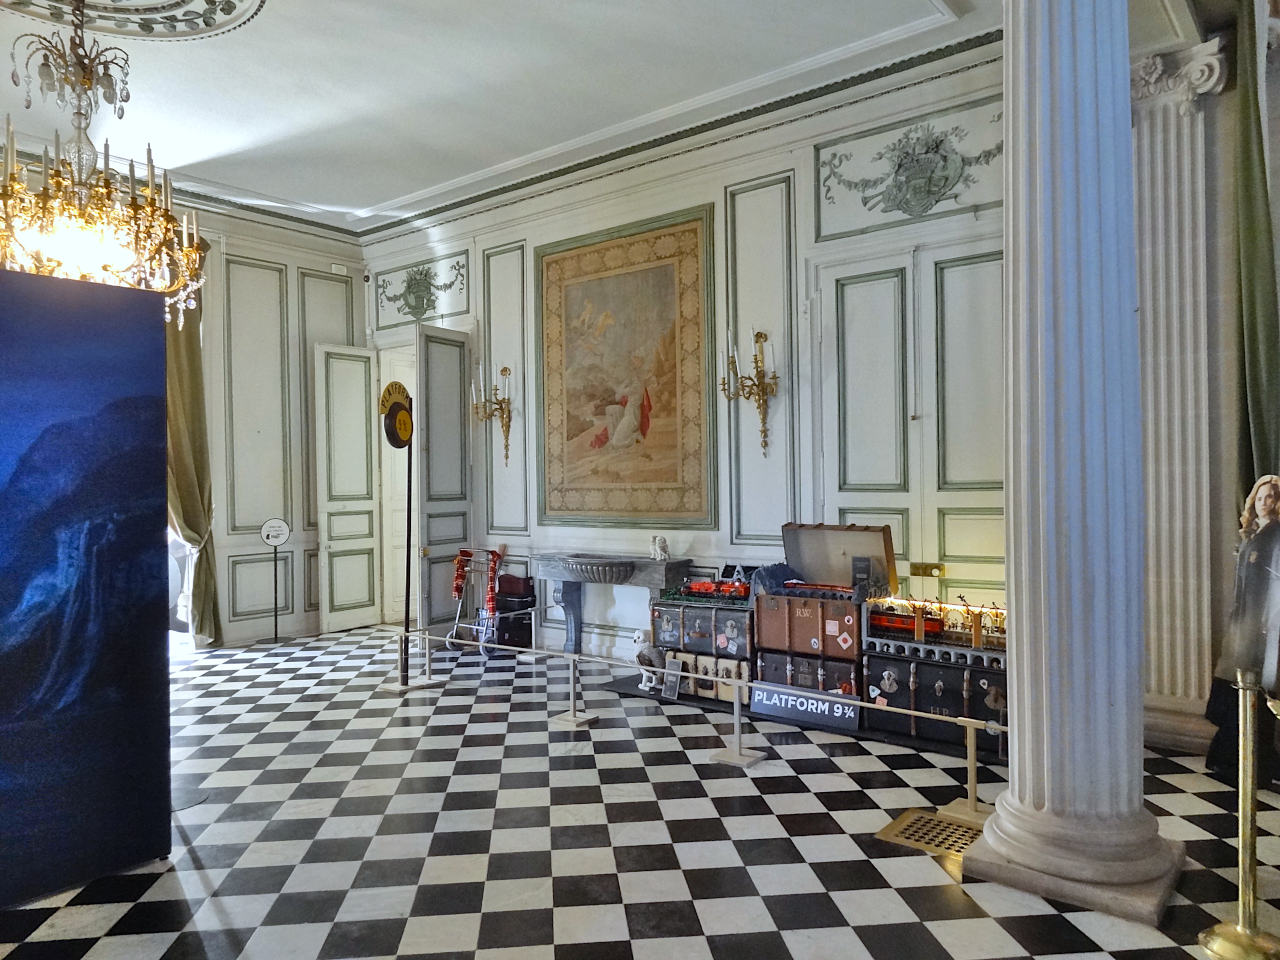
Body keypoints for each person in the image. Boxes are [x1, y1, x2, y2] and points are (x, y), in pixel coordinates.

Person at [1206, 474, 1280, 784]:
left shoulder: (1275, 536)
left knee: (1255, 694)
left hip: (1263, 627)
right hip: (1244, 624)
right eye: (1261, 497)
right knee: (1238, 689)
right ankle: (1237, 761)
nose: (1266, 503)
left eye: (1272, 497)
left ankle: (1253, 764)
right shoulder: (1252, 535)